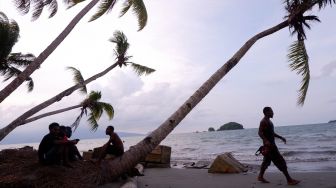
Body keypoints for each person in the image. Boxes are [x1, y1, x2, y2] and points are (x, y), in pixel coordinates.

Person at [257, 107, 300, 185]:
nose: (273, 113)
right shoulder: (263, 121)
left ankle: (260, 176)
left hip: (270, 146)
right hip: (270, 147)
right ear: (266, 112)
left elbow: (271, 133)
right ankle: (289, 180)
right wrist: (266, 140)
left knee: (266, 161)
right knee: (281, 162)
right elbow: (259, 132)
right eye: (271, 112)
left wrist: (280, 137)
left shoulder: (269, 121)